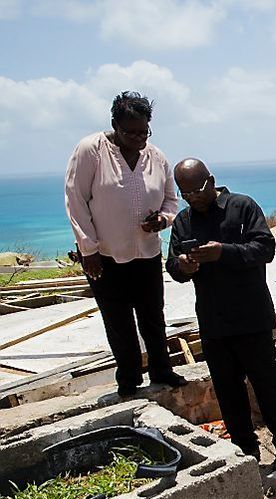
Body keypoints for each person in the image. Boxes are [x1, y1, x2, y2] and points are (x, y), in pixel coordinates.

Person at [166, 159, 276, 469]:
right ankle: (245, 451)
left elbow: (265, 248)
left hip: (251, 317)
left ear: (211, 182)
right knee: (228, 392)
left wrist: (223, 252)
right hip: (214, 322)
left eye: (197, 190)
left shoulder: (242, 207)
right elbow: (172, 265)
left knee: (267, 386)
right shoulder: (184, 221)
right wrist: (184, 265)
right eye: (185, 193)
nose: (193, 198)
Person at [65, 91, 187, 397]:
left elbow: (171, 201)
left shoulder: (156, 157)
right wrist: (88, 249)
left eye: (143, 131)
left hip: (146, 251)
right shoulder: (91, 150)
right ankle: (129, 379)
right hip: (104, 255)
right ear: (114, 126)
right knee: (118, 321)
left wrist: (163, 220)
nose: (138, 138)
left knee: (152, 315)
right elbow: (75, 201)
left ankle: (162, 369)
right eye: (130, 132)